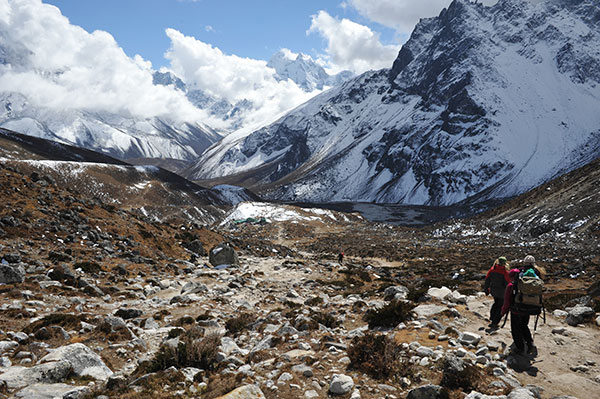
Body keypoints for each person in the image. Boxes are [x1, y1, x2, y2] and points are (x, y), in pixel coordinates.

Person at [501, 255, 544, 355]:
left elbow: (507, 297)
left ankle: (520, 348)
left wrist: (503, 311)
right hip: (530, 306)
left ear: (524, 263)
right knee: (524, 325)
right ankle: (530, 343)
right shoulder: (536, 275)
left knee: (515, 328)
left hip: (517, 307)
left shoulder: (518, 274)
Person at [483, 256, 510, 329]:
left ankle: (492, 318)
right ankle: (495, 321)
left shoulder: (492, 269)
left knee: (496, 303)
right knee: (500, 306)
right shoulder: (505, 272)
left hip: (493, 291)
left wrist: (486, 290)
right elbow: (508, 283)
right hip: (502, 292)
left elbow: (487, 280)